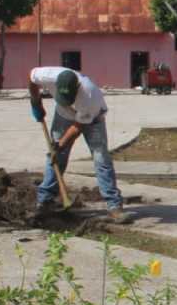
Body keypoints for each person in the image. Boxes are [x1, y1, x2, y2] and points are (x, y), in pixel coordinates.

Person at [28, 66, 132, 224]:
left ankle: (114, 206)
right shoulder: (48, 75)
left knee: (101, 158)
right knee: (55, 157)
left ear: (77, 87)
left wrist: (61, 144)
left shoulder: (90, 96)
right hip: (63, 116)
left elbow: (78, 126)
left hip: (93, 120)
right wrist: (35, 101)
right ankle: (44, 201)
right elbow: (31, 77)